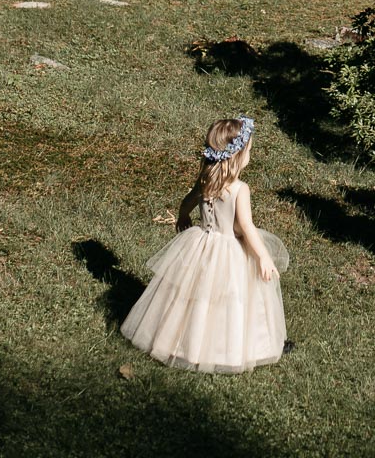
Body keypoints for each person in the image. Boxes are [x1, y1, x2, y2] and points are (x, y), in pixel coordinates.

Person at [120, 115, 291, 373]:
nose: (250, 155)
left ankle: (183, 342)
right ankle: (227, 350)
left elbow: (188, 200)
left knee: (196, 297)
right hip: (229, 249)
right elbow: (246, 227)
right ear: (237, 154)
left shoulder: (206, 181)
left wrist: (182, 216)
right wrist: (263, 256)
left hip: (202, 244)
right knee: (231, 299)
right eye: (249, 150)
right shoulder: (239, 189)